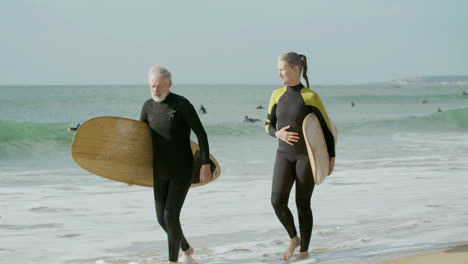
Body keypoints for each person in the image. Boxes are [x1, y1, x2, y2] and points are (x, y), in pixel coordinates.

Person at [264, 52, 336, 262]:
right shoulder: (277, 95)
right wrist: (277, 133)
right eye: (278, 70)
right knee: (277, 201)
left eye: (282, 69)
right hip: (283, 155)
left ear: (296, 69)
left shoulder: (310, 97)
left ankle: (304, 250)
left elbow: (326, 130)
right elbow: (267, 124)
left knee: (302, 203)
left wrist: (330, 158)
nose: (279, 74)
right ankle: (293, 237)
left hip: (306, 157)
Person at [140, 65, 212, 264]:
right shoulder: (147, 107)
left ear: (169, 84)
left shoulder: (181, 104)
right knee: (161, 219)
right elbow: (140, 141)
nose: (155, 90)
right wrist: (132, 171)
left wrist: (205, 163)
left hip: (182, 169)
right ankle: (186, 248)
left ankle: (173, 261)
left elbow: (201, 133)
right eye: (152, 86)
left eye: (160, 86)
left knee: (170, 216)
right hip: (159, 170)